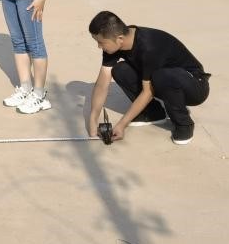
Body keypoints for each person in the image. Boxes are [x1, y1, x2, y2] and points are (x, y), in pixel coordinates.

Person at [84, 11, 210, 145]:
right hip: (163, 81)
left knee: (162, 76)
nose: (99, 46)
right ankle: (153, 113)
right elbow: (102, 83)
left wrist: (122, 125)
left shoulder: (149, 47)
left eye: (101, 42)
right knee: (120, 70)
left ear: (119, 39)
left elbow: (147, 92)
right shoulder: (116, 42)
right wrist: (93, 120)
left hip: (195, 86)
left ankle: (184, 123)